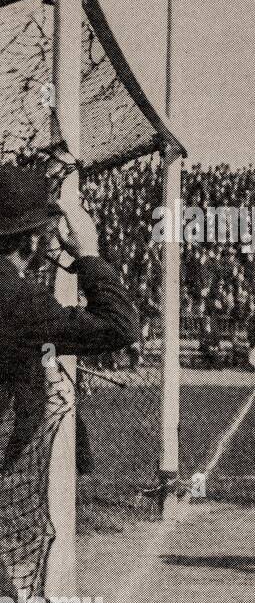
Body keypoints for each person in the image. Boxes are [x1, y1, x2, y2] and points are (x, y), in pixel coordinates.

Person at [0, 165, 139, 470]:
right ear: (32, 241)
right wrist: (88, 254)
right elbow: (120, 325)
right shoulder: (18, 297)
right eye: (48, 232)